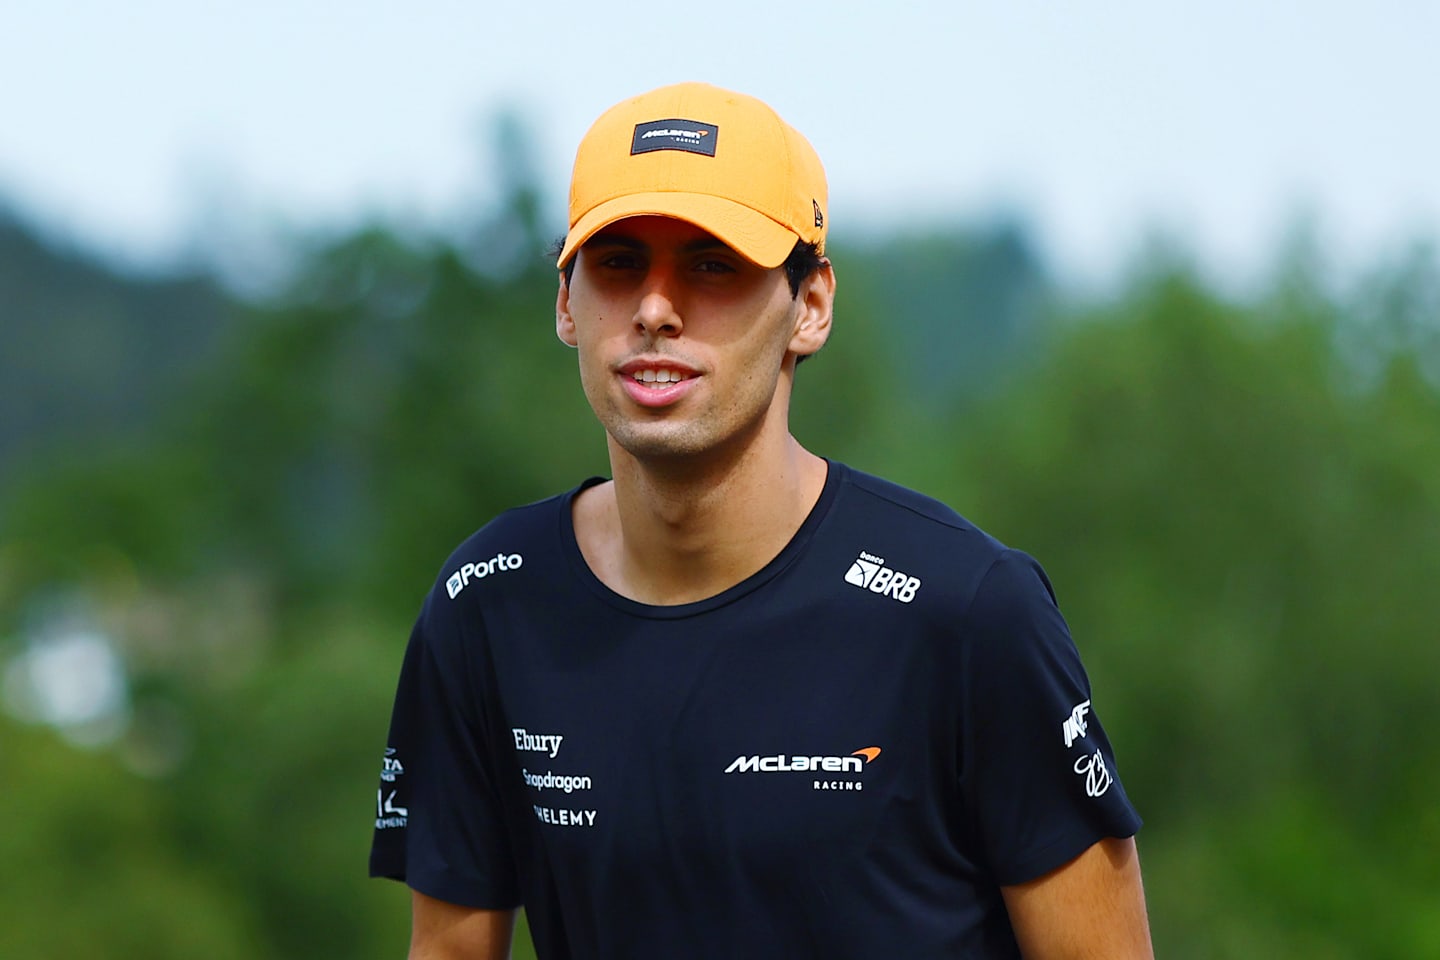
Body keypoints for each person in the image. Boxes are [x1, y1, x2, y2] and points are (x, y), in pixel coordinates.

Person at [370, 81, 1153, 959]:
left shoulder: (970, 612)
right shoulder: (486, 606)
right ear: (565, 303)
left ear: (810, 305)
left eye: (713, 265)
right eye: (619, 261)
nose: (656, 309)